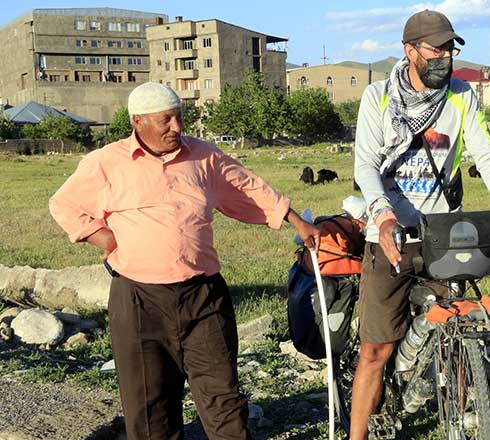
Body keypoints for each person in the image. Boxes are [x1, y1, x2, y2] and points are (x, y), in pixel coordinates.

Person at [48, 82, 320, 440]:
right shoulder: (105, 162)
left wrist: (294, 218)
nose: (176, 127)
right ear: (138, 122)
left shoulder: (203, 157)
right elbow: (63, 204)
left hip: (203, 296)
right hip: (138, 299)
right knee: (149, 404)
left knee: (223, 396)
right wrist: (104, 237)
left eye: (179, 117)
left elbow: (246, 186)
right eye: (166, 119)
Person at [351, 9, 490, 440]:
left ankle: (462, 400)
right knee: (375, 350)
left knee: (459, 320)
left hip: (440, 233)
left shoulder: (460, 96)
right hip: (391, 235)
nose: (445, 58)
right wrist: (382, 216)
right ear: (409, 50)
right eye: (436, 49)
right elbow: (365, 165)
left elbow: (486, 156)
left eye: (450, 49)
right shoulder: (378, 97)